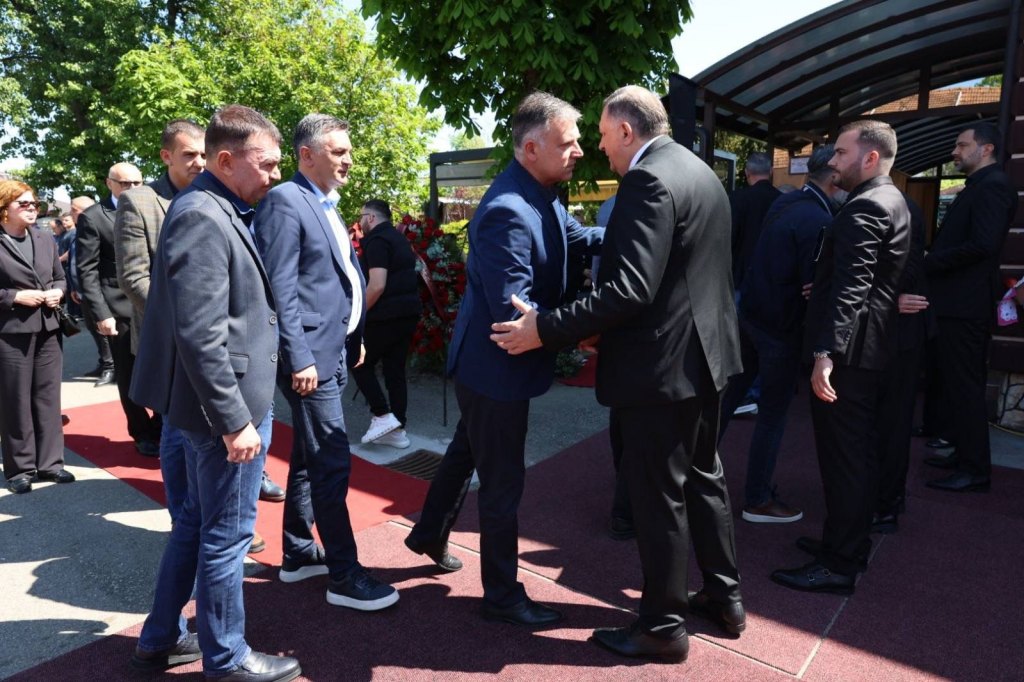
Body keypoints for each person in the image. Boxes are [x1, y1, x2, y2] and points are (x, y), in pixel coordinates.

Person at [492, 85, 744, 661]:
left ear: (627, 131)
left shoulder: (646, 180)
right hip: (708, 359)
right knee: (704, 477)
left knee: (658, 497)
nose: (599, 149)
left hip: (663, 370)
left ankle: (662, 627)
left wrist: (545, 328)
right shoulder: (699, 171)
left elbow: (629, 289)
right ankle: (725, 598)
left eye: (604, 136)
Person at [404, 92, 603, 626]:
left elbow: (581, 238)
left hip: (491, 368)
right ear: (531, 148)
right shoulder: (507, 210)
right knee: (502, 483)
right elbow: (516, 310)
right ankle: (501, 595)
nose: (579, 151)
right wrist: (583, 330)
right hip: (494, 370)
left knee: (466, 452)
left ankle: (428, 533)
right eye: (568, 143)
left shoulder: (542, 193)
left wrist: (646, 230)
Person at [128, 104, 300, 681]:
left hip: (206, 405)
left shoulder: (211, 206)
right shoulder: (204, 213)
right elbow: (200, 333)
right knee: (227, 538)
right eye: (266, 164)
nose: (275, 174)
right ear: (226, 161)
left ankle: (158, 639)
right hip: (223, 411)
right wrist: (234, 420)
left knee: (194, 527)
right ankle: (227, 658)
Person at [254, 114, 398, 611]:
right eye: (338, 151)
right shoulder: (285, 201)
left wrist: (352, 336)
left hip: (332, 349)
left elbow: (336, 280)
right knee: (332, 459)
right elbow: (280, 288)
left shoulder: (323, 203)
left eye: (348, 151)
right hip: (309, 359)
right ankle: (344, 574)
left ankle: (298, 552)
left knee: (307, 456)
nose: (348, 160)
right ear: (306, 154)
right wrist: (299, 357)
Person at [772, 120, 910, 596]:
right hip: (870, 349)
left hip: (849, 356)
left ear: (870, 158)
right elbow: (866, 279)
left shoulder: (866, 206)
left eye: (841, 153)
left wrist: (825, 353)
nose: (832, 162)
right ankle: (844, 545)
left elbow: (854, 287)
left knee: (844, 460)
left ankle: (839, 564)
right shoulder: (892, 199)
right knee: (857, 456)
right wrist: (825, 284)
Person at [717, 145, 840, 524]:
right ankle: (757, 498)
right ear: (834, 175)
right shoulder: (819, 218)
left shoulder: (786, 203)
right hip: (779, 329)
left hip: (752, 315)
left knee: (726, 400)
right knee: (771, 416)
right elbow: (813, 284)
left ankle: (689, 473)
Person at [922, 123, 1016, 492]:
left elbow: (983, 245)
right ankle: (963, 455)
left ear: (986, 148)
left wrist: (929, 261)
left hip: (966, 304)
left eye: (962, 145)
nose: (955, 152)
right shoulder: (981, 185)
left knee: (965, 387)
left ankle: (974, 469)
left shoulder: (993, 187)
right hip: (957, 302)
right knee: (955, 385)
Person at [77, 162, 162, 457]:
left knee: (161, 368)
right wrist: (102, 313)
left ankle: (162, 425)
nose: (132, 189)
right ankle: (141, 432)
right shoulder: (93, 217)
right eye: (125, 183)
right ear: (109, 183)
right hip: (120, 309)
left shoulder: (151, 207)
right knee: (128, 374)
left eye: (137, 183)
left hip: (153, 303)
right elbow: (87, 270)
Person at [0, 181, 69, 494]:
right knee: (15, 399)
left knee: (48, 397)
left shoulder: (43, 238)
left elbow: (59, 278)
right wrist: (14, 297)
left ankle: (51, 463)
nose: (32, 208)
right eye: (24, 204)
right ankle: (20, 469)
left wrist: (58, 292)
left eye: (34, 204)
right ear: (4, 209)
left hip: (47, 328)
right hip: (10, 332)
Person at [352, 199, 422, 449]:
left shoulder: (377, 240)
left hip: (384, 316)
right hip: (407, 315)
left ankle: (382, 415)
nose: (359, 222)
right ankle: (397, 430)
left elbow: (377, 285)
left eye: (362, 217)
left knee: (357, 361)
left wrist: (357, 314)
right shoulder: (398, 238)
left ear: (371, 218)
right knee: (395, 372)